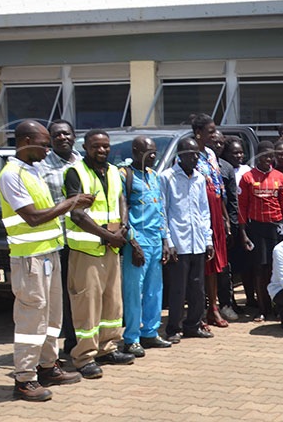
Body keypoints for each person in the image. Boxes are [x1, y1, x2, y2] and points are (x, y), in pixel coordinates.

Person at [0, 120, 92, 401]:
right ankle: (24, 379)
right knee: (31, 318)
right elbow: (33, 217)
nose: (47, 149)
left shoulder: (33, 169)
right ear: (26, 141)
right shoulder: (11, 174)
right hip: (29, 259)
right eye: (43, 144)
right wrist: (70, 203)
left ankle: (48, 366)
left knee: (52, 316)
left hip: (49, 253)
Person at [64, 129, 134, 379]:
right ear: (85, 147)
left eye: (105, 146)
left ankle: (107, 348)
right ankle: (83, 357)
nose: (102, 150)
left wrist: (123, 227)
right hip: (87, 250)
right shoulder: (75, 173)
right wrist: (109, 236)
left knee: (112, 303)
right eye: (96, 146)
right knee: (87, 306)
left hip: (111, 247)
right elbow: (77, 214)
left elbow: (121, 201)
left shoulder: (114, 171)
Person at [120, 137, 174, 358]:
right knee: (134, 292)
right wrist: (132, 243)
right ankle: (131, 338)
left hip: (155, 241)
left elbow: (160, 210)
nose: (154, 156)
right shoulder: (125, 176)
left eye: (155, 152)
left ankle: (150, 332)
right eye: (148, 152)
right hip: (137, 242)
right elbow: (121, 211)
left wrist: (165, 241)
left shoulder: (154, 176)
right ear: (135, 151)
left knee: (154, 290)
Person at [34, 119, 82, 355]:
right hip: (59, 240)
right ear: (50, 140)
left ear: (74, 136)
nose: (62, 138)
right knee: (62, 296)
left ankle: (82, 340)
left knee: (81, 292)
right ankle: (67, 343)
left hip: (85, 239)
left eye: (66, 134)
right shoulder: (42, 166)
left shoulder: (84, 162)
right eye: (57, 135)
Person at [160, 138, 215, 342]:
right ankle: (173, 328)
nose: (194, 157)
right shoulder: (167, 178)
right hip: (178, 242)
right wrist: (168, 241)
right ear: (179, 155)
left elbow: (204, 211)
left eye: (197, 154)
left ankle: (193, 325)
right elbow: (163, 211)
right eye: (190, 154)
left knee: (197, 288)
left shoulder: (200, 178)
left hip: (198, 241)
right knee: (177, 289)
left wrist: (208, 239)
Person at [238, 141, 283, 322]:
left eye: (270, 156)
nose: (267, 159)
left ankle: (277, 305)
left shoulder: (280, 177)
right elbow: (242, 207)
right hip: (256, 229)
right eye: (263, 156)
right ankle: (262, 308)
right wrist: (243, 233)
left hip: (277, 229)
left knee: (277, 268)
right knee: (260, 270)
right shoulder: (247, 178)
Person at [191, 114, 230, 328]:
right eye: (210, 131)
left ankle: (213, 308)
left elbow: (219, 189)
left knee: (215, 264)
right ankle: (198, 310)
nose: (214, 134)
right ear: (198, 133)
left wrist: (225, 218)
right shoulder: (188, 155)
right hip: (198, 213)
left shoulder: (211, 155)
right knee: (201, 264)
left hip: (215, 211)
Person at [222, 136, 255, 311]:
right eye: (234, 153)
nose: (239, 156)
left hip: (245, 223)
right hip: (228, 223)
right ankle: (229, 301)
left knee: (246, 264)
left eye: (241, 152)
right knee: (229, 266)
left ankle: (250, 299)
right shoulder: (222, 170)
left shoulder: (247, 171)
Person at [211, 132, 240, 321]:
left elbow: (232, 200)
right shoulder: (200, 164)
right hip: (204, 222)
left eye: (222, 143)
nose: (219, 146)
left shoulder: (227, 168)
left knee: (224, 268)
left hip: (223, 224)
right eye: (216, 142)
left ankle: (226, 303)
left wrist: (232, 224)